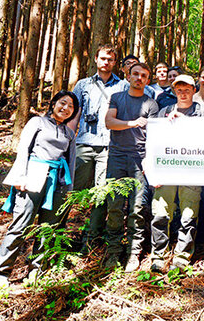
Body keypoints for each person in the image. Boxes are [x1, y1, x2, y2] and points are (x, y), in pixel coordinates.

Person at [0, 91, 79, 288]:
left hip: (58, 182)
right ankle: (1, 272)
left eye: (71, 106)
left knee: (47, 228)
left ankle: (37, 270)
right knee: (21, 224)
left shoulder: (69, 133)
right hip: (34, 175)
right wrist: (19, 176)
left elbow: (71, 161)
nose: (65, 108)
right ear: (54, 103)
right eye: (62, 103)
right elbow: (23, 149)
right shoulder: (37, 123)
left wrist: (70, 189)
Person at [151, 75, 204, 273]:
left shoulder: (203, 111)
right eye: (179, 89)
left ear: (194, 90)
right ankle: (158, 255)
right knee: (160, 213)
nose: (183, 93)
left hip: (191, 170)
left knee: (188, 215)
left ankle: (182, 256)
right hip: (167, 170)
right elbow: (154, 142)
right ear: (174, 91)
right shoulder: (164, 112)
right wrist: (154, 170)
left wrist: (184, 122)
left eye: (187, 89)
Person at [69, 44, 127, 252]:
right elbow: (74, 113)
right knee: (71, 190)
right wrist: (68, 140)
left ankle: (91, 239)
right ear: (96, 59)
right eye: (103, 58)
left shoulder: (122, 86)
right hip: (84, 142)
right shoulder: (83, 85)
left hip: (109, 147)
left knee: (101, 194)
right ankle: (59, 235)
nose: (106, 62)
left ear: (115, 62)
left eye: (110, 59)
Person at [104, 63, 159, 272]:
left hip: (140, 159)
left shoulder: (151, 104)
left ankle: (133, 253)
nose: (139, 78)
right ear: (128, 76)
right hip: (117, 156)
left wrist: (150, 162)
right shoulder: (117, 98)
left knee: (137, 208)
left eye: (144, 75)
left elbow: (154, 136)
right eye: (135, 74)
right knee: (115, 206)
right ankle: (113, 250)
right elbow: (109, 122)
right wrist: (132, 123)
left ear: (147, 80)